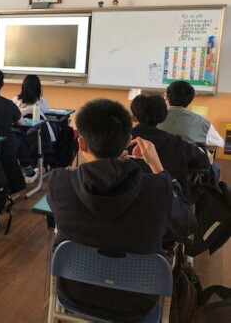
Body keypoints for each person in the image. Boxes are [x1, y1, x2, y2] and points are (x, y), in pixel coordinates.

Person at [48, 99, 196, 320]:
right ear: (128, 141)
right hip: (137, 300)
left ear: (81, 144)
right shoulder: (158, 187)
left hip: (76, 291)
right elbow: (186, 225)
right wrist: (158, 168)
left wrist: (113, 167)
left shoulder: (59, 182)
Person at [130, 94, 210, 201]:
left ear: (134, 117)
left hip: (129, 200)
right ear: (163, 116)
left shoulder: (121, 141)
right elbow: (203, 162)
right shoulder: (176, 142)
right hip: (170, 201)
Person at [158, 80, 224, 147]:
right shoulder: (199, 121)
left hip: (154, 156)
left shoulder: (152, 116)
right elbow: (219, 143)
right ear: (190, 100)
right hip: (184, 156)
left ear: (166, 96)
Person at [12, 74, 56, 142]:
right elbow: (46, 110)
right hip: (37, 142)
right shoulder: (40, 102)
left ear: (23, 87)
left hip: (18, 140)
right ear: (38, 88)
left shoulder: (15, 100)